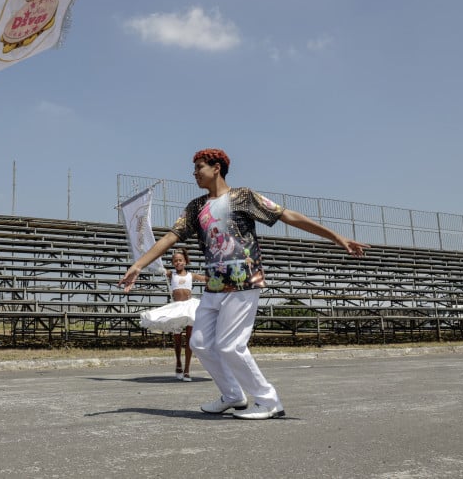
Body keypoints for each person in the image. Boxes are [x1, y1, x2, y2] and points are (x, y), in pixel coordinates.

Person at [119, 148, 369, 420]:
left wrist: (336, 237)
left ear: (217, 168)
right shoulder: (196, 207)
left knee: (230, 345)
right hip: (214, 285)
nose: (194, 173)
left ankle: (268, 400)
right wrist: (138, 265)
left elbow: (288, 216)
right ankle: (233, 395)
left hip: (244, 280)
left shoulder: (243, 197)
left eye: (199, 167)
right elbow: (170, 237)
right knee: (201, 343)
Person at [139, 248, 205, 381]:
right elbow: (155, 267)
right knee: (177, 339)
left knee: (189, 339)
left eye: (180, 260)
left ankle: (187, 370)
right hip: (176, 308)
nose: (178, 262)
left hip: (189, 308)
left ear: (185, 261)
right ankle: (178, 362)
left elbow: (206, 279)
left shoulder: (191, 275)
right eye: (175, 261)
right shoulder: (171, 275)